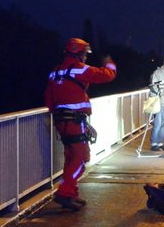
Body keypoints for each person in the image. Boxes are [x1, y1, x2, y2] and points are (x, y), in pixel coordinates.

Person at [44, 38, 116, 211]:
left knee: (70, 157)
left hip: (62, 121)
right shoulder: (79, 69)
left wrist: (53, 114)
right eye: (84, 53)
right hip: (75, 120)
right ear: (78, 53)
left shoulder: (55, 71)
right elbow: (106, 75)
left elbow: (49, 95)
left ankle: (70, 194)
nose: (85, 57)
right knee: (82, 158)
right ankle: (65, 192)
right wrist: (110, 64)